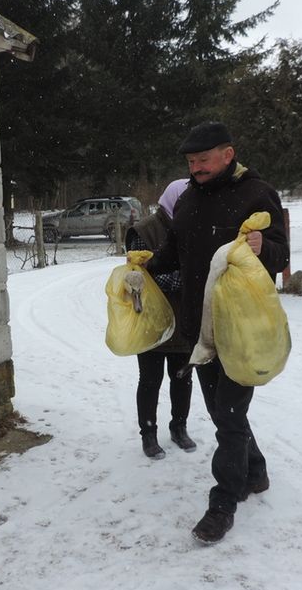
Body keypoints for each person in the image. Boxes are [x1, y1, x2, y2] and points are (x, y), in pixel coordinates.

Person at [147, 122, 289, 544]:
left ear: (228, 155)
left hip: (240, 326)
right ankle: (257, 472)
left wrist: (267, 248)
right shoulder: (189, 198)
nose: (196, 168)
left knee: (227, 416)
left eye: (203, 160)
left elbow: (281, 256)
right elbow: (174, 251)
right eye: (191, 162)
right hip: (198, 326)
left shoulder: (256, 195)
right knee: (223, 410)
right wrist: (145, 266)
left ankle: (223, 502)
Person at [124, 179, 194, 459]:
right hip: (151, 321)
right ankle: (148, 434)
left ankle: (179, 427)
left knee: (183, 378)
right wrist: (191, 279)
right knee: (150, 379)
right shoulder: (143, 230)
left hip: (185, 318)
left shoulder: (193, 226)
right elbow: (142, 277)